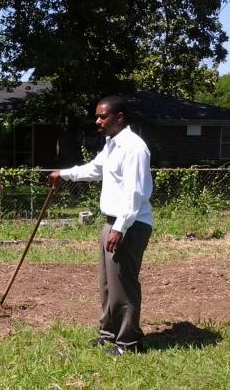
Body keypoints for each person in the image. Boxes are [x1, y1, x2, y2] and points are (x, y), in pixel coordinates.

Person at [49, 95, 153, 356]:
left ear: (119, 117)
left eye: (102, 116)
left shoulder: (133, 147)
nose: (97, 121)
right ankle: (109, 334)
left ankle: (129, 343)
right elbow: (95, 169)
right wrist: (64, 174)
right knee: (108, 284)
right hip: (113, 222)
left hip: (129, 225)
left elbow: (135, 193)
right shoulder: (112, 145)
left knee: (123, 285)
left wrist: (120, 228)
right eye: (97, 116)